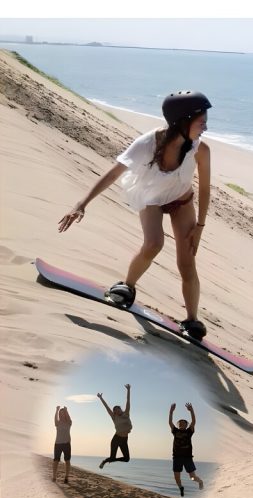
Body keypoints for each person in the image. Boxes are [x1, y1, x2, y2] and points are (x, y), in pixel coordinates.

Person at [58, 91, 212, 341]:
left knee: (187, 260)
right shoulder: (149, 143)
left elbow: (205, 189)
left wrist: (201, 225)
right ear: (183, 121)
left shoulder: (201, 150)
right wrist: (81, 203)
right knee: (153, 244)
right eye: (201, 122)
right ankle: (127, 286)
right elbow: (113, 173)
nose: (206, 127)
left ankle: (192, 320)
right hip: (150, 198)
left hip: (182, 201)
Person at [168, 402, 204, 497]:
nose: (181, 424)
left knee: (192, 477)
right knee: (176, 477)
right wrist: (171, 411)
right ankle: (181, 487)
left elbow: (193, 421)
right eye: (179, 423)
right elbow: (170, 422)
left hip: (187, 457)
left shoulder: (189, 431)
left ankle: (200, 481)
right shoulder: (175, 431)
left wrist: (191, 411)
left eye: (183, 423)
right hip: (177, 457)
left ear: (186, 425)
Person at [97, 384, 132, 469]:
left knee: (127, 459)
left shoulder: (126, 414)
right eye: (115, 411)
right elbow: (107, 408)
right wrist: (101, 398)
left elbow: (128, 401)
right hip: (116, 439)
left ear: (121, 409)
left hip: (124, 439)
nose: (116, 411)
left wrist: (128, 390)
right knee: (112, 457)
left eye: (118, 409)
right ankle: (105, 461)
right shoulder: (114, 417)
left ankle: (110, 460)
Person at [52, 405, 72, 484]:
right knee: (56, 461)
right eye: (60, 413)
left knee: (67, 461)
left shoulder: (69, 423)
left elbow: (69, 417)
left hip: (66, 444)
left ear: (65, 414)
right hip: (58, 444)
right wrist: (57, 410)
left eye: (63, 413)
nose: (61, 414)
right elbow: (55, 419)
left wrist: (66, 410)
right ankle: (54, 477)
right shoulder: (58, 423)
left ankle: (66, 477)